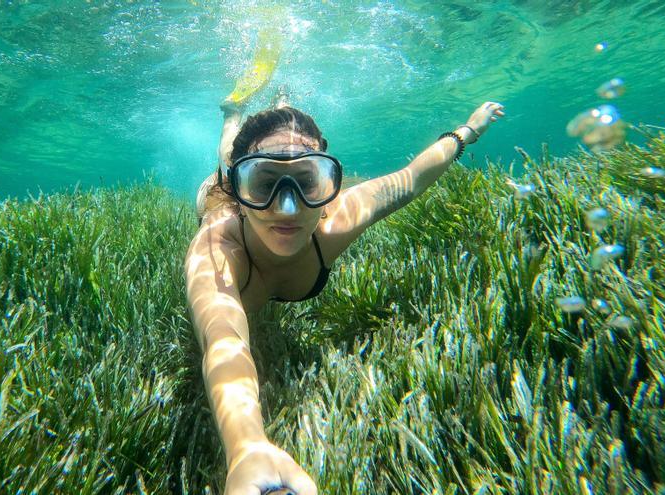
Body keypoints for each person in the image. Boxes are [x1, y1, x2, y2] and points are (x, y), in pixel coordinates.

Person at [185, 87, 504, 494]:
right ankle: (233, 122)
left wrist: (466, 132)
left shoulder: (337, 223)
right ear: (241, 189)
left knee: (246, 161)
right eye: (263, 183)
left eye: (307, 182)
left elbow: (411, 180)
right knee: (227, 157)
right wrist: (246, 444)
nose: (287, 209)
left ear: (327, 185)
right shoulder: (216, 249)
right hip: (216, 201)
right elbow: (222, 341)